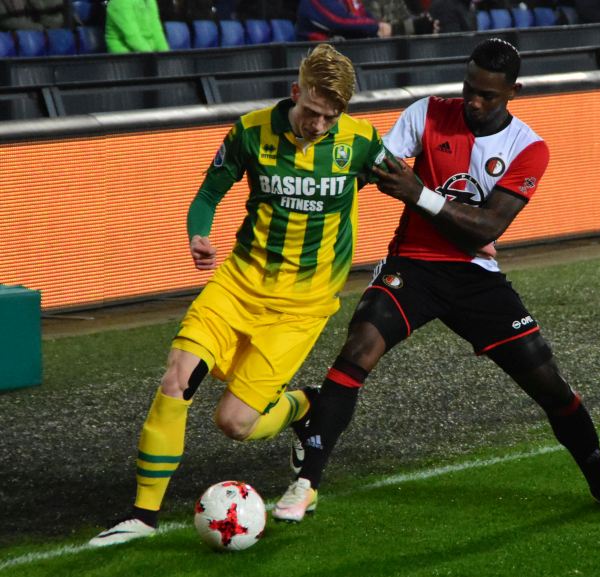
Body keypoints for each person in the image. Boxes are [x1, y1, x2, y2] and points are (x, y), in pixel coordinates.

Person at [272, 37, 600, 522]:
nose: (474, 103)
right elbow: (373, 168)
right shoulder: (427, 114)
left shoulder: (528, 148)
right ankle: (306, 483)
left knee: (548, 383)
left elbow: (487, 228)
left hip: (475, 278)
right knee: (359, 347)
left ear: (513, 92)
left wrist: (421, 194)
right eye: (469, 90)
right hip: (413, 265)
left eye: (488, 95)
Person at [89, 43, 389, 547]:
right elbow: (208, 193)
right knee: (176, 380)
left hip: (302, 307)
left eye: (330, 117)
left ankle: (302, 407)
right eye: (312, 112)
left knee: (234, 423)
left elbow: (407, 185)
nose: (318, 125)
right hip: (237, 284)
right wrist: (197, 235)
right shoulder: (251, 131)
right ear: (296, 92)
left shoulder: (360, 143)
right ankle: (142, 515)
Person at [295, 0, 392, 41]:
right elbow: (339, 20)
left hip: (345, 56)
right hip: (316, 62)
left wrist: (378, 27)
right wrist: (376, 27)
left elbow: (362, 16)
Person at [105, 0, 170, 53]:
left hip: (148, 51)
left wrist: (166, 57)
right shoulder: (119, 2)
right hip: (123, 56)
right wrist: (153, 58)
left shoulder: (150, 1)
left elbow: (157, 31)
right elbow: (132, 37)